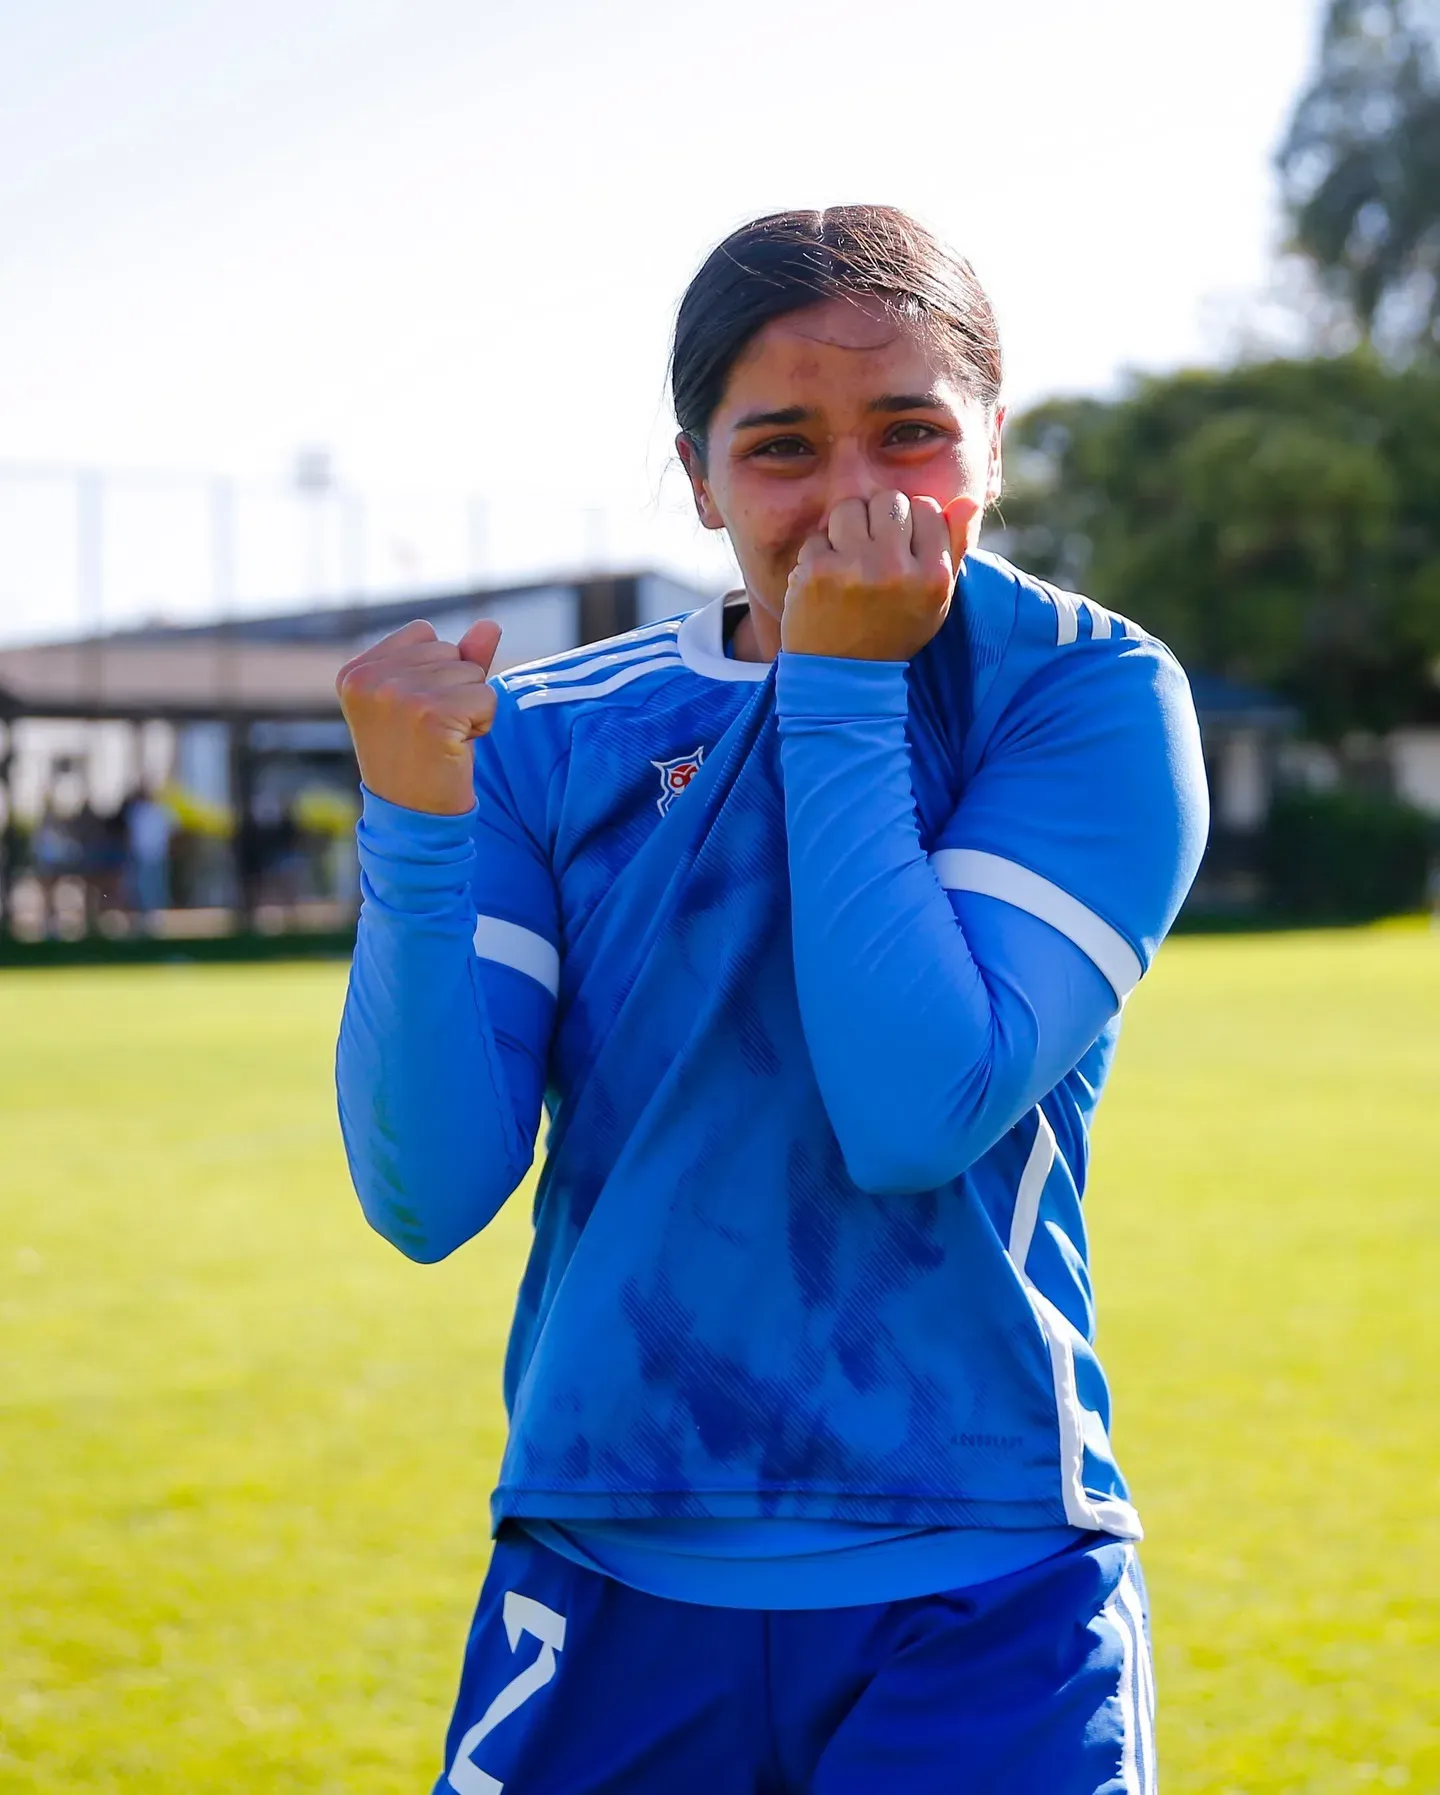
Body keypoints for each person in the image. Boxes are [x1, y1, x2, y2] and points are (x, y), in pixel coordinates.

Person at [335, 207, 1208, 1795]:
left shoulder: (1083, 692)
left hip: (983, 1577)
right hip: (606, 1556)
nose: (855, 497)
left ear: (993, 442)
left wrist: (844, 681)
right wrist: (414, 830)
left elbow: (913, 1109)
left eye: (911, 431)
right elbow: (426, 1189)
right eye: (785, 446)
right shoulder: (554, 734)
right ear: (698, 475)